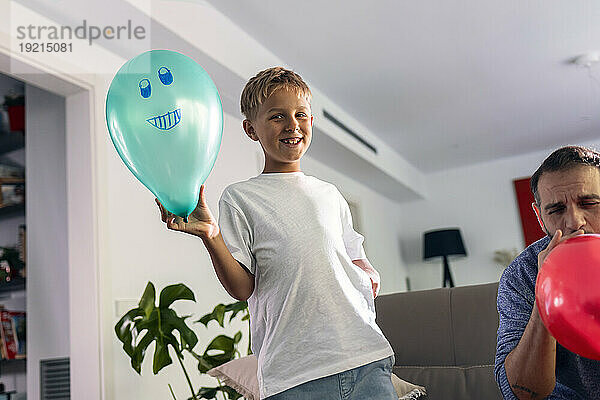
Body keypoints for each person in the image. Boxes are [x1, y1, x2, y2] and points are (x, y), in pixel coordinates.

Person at [156, 67, 396, 400]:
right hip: (293, 375)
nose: (292, 124)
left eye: (301, 114)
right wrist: (211, 235)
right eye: (277, 116)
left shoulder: (330, 194)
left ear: (311, 122)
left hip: (365, 357)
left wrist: (366, 273)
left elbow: (354, 255)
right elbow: (242, 288)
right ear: (251, 129)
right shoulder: (241, 198)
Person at [495, 145, 600, 399]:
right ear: (540, 217)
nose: (575, 221)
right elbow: (521, 393)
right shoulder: (522, 274)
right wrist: (545, 290)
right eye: (556, 210)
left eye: (589, 203)